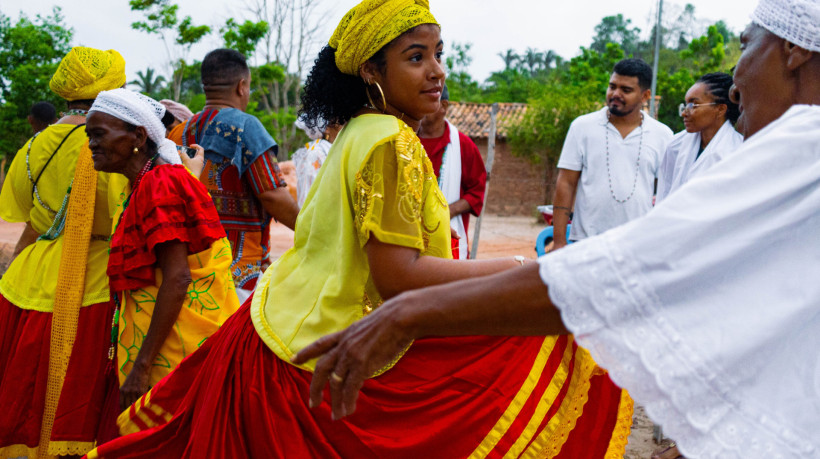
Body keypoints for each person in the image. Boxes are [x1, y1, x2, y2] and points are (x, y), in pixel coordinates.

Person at [88, 1, 631, 457]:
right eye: (415, 58)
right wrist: (525, 269)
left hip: (275, 333)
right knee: (557, 338)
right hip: (320, 352)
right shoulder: (390, 141)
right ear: (371, 71)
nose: (436, 70)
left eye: (438, 54)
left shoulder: (357, 132)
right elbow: (397, 278)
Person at [295, 1, 820, 457]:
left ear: (794, 53)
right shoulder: (392, 137)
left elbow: (636, 271)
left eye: (746, 46)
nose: (737, 73)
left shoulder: (799, 148)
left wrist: (412, 311)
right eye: (417, 57)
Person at [0, 46, 125, 458]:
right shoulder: (117, 143)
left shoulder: (34, 146)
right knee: (76, 399)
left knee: (23, 396)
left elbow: (29, 220)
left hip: (27, 281)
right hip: (93, 283)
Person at [86, 88, 241, 410]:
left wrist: (141, 367)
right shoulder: (143, 184)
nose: (91, 144)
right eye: (90, 135)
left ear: (138, 136)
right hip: (163, 346)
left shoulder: (160, 185)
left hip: (171, 355)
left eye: (99, 134)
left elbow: (178, 278)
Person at [168, 49, 299, 301]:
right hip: (239, 274)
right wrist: (312, 231)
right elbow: (272, 195)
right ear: (242, 86)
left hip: (191, 270)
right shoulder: (246, 126)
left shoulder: (178, 134)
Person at [552, 58, 674, 250]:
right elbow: (566, 183)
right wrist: (559, 241)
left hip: (638, 244)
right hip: (585, 241)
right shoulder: (582, 127)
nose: (615, 94)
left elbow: (667, 193)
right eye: (612, 86)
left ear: (645, 96)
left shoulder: (663, 135)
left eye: (625, 90)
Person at [418, 83, 486, 259]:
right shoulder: (405, 142)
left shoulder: (463, 145)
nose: (420, 106)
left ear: (444, 106)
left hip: (451, 241)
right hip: (411, 238)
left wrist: (445, 212)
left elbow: (477, 193)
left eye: (428, 100)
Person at [656, 73, 743, 202]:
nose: (685, 113)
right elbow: (664, 192)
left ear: (720, 109)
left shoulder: (737, 151)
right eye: (685, 105)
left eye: (693, 105)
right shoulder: (676, 145)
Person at [291, 116, 340, 207]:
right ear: (326, 128)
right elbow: (308, 196)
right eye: (340, 122)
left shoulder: (334, 148)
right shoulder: (316, 154)